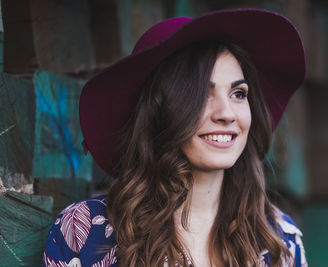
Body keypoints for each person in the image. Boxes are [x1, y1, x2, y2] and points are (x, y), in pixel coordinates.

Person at [43, 8, 307, 267]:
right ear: (160, 111)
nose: (227, 113)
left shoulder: (279, 240)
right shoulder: (85, 231)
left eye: (238, 93)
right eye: (202, 93)